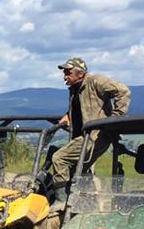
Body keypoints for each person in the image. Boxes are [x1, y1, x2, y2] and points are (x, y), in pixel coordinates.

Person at [51, 57, 131, 190]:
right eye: (64, 73)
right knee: (77, 171)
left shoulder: (95, 81)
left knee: (59, 158)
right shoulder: (75, 88)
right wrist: (68, 114)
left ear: (80, 73)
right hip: (83, 137)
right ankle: (83, 203)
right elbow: (83, 107)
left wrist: (115, 118)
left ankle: (60, 201)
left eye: (68, 73)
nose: (65, 77)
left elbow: (123, 91)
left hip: (95, 137)